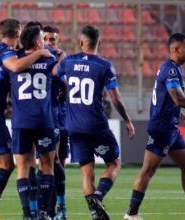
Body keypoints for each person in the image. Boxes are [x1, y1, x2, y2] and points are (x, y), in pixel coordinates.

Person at [123, 33, 185, 220]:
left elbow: (168, 100)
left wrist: (183, 117)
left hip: (172, 128)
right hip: (162, 128)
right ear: (176, 49)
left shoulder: (172, 68)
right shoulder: (171, 70)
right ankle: (131, 214)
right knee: (148, 171)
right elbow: (178, 98)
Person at [0, 25, 63, 220]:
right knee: (47, 165)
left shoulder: (13, 61)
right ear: (37, 42)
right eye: (42, 38)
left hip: (21, 122)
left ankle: (27, 214)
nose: (44, 41)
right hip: (44, 121)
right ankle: (43, 213)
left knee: (23, 167)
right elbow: (62, 74)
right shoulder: (49, 58)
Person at [57, 25, 135, 220]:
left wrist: (63, 92)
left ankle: (95, 213)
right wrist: (127, 119)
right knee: (114, 163)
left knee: (87, 173)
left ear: (81, 42)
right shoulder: (104, 65)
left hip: (73, 126)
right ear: (100, 42)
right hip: (95, 124)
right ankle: (98, 196)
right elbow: (115, 98)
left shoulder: (68, 62)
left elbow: (54, 76)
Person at [43, 25, 68, 220]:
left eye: (53, 40)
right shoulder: (46, 59)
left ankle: (60, 207)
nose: (50, 43)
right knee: (44, 164)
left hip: (58, 117)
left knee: (58, 162)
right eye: (46, 39)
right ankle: (47, 208)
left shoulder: (60, 61)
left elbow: (67, 84)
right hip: (41, 118)